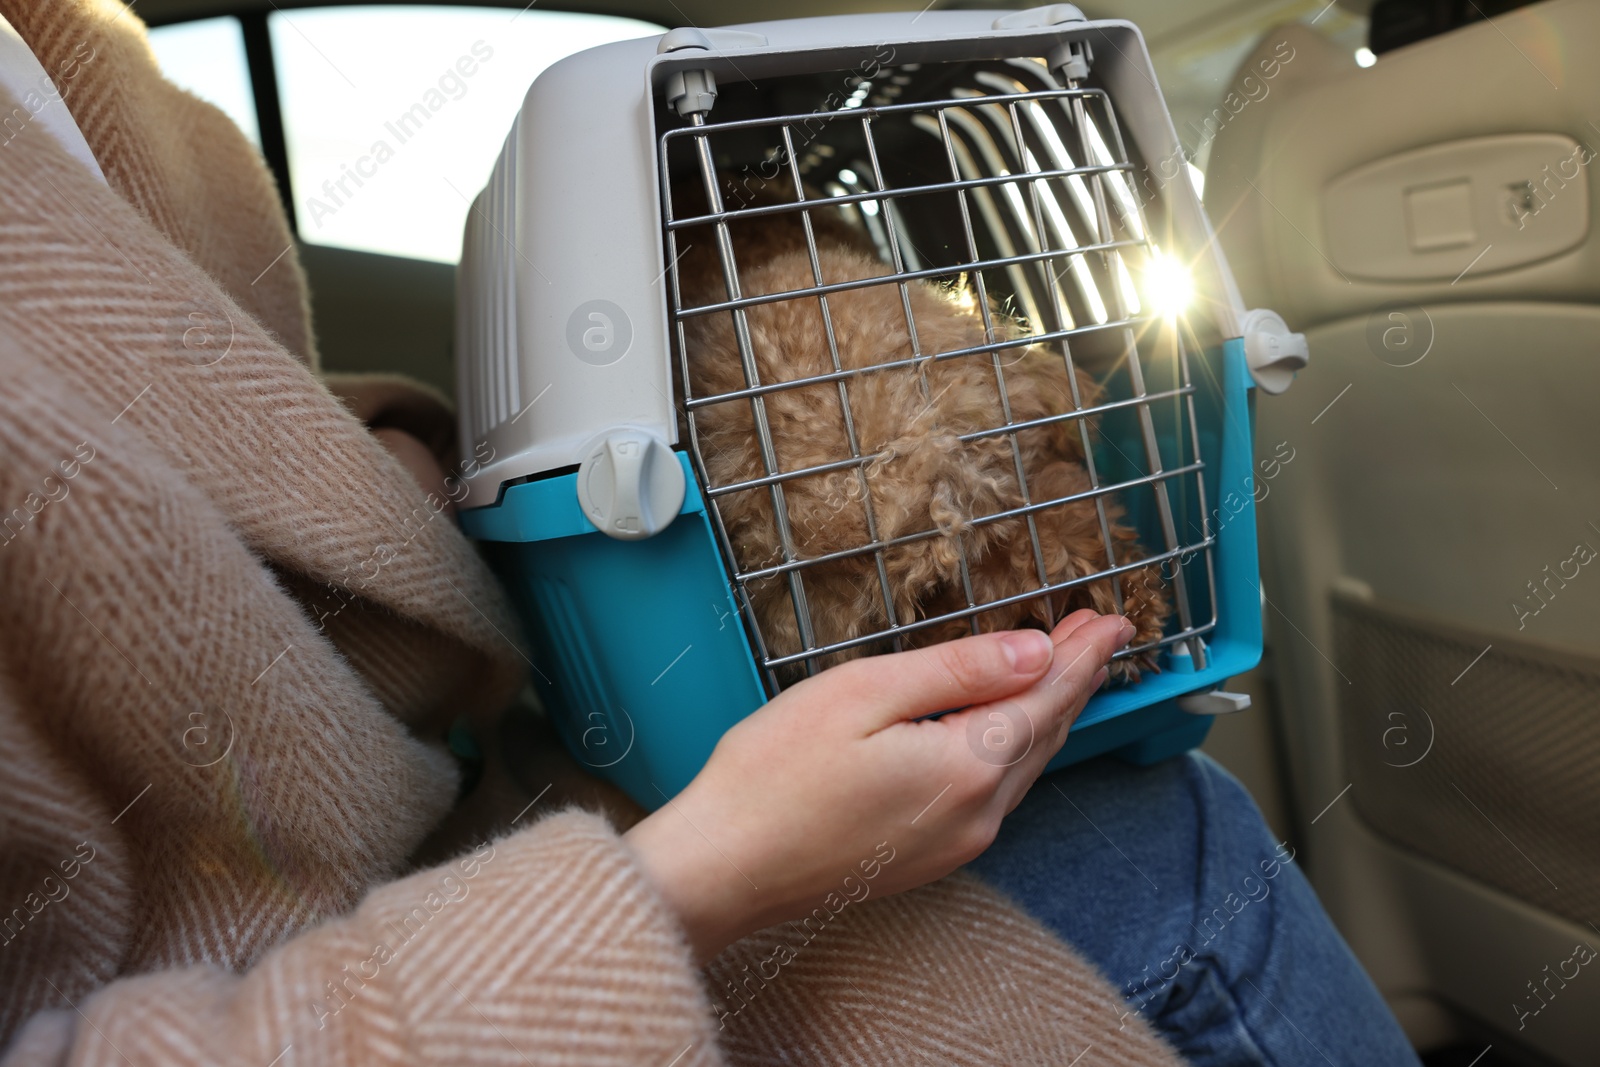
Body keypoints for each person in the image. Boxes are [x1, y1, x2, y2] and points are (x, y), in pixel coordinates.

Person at [0, 2, 1418, 1064]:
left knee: (1146, 811)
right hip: (399, 963)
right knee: (1164, 857)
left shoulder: (93, 63)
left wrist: (391, 447)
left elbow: (219, 422)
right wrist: (704, 876)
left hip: (479, 760)